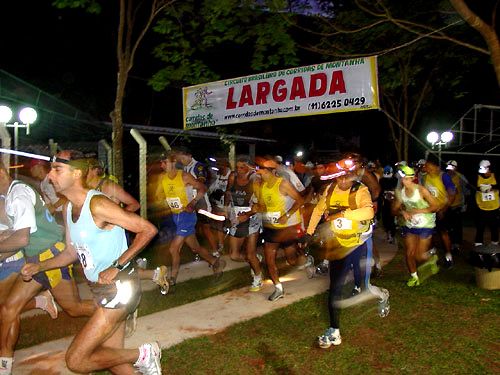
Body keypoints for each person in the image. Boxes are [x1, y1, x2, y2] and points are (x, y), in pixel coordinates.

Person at [21, 150, 162, 374]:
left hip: (120, 287)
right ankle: (142, 361)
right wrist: (41, 266)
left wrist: (117, 265)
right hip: (99, 289)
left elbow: (147, 229)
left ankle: (145, 353)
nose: (49, 176)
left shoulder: (97, 204)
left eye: (57, 169)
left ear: (77, 173)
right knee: (113, 360)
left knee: (76, 360)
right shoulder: (68, 208)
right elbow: (70, 252)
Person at [0, 159, 95, 375]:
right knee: (8, 309)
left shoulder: (18, 194)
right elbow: (16, 232)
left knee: (74, 308)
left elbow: (22, 239)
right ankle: (4, 366)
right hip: (36, 261)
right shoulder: (8, 197)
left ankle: (114, 311)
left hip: (50, 256)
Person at [305, 157, 388, 349]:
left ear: (352, 177)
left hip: (359, 243)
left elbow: (368, 212)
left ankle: (383, 296)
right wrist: (308, 233)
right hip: (340, 244)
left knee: (364, 287)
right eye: (339, 178)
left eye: (346, 178)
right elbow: (318, 211)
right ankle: (334, 331)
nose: (342, 182)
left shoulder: (360, 191)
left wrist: (341, 214)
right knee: (335, 288)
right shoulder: (330, 190)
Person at [87, 158, 169, 295]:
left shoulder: (108, 186)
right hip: (100, 236)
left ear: (95, 170)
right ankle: (153, 273)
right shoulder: (88, 190)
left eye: (86, 168)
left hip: (114, 234)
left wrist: (115, 219)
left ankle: (122, 298)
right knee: (108, 269)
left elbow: (134, 204)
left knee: (116, 268)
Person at [155, 153, 225, 286]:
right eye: (161, 163)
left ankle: (172, 279)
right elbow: (159, 196)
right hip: (176, 217)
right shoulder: (163, 178)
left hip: (187, 216)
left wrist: (193, 203)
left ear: (173, 162)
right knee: (196, 248)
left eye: (165, 162)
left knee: (173, 248)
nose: (162, 165)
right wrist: (163, 200)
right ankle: (215, 262)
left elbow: (202, 188)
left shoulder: (184, 176)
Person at [253, 158, 312, 301]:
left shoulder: (283, 184)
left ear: (271, 171)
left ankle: (307, 260)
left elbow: (300, 200)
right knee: (269, 260)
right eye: (258, 168)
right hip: (270, 228)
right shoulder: (261, 186)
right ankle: (278, 288)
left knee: (292, 260)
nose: (258, 171)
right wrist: (256, 208)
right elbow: (263, 207)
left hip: (287, 229)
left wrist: (287, 215)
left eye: (261, 168)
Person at [392, 166, 440, 287]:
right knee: (409, 253)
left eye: (407, 179)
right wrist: (403, 212)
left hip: (426, 225)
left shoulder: (421, 190)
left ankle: (432, 257)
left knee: (420, 256)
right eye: (402, 179)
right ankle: (414, 277)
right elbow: (394, 210)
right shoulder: (401, 193)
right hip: (410, 226)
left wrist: (420, 210)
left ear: (413, 178)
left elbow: (435, 206)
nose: (404, 181)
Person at [224, 156, 263, 291]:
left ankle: (258, 278)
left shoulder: (255, 179)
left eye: (243, 167)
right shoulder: (233, 177)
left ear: (249, 167)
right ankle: (256, 260)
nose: (239, 170)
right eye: (237, 167)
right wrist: (226, 210)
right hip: (236, 217)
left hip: (252, 218)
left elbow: (260, 204)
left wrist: (247, 215)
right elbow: (228, 193)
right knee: (234, 255)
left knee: (249, 253)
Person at [174, 147, 219, 258]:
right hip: (189, 201)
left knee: (205, 227)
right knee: (194, 228)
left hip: (200, 200)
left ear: (189, 155)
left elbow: (201, 180)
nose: (182, 161)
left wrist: (191, 183)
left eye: (183, 158)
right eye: (180, 159)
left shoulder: (198, 166)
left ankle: (215, 251)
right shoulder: (184, 168)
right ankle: (198, 252)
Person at [422, 155, 457, 267]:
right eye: (426, 166)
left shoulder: (444, 177)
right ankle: (432, 251)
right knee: (429, 232)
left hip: (442, 209)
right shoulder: (425, 177)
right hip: (430, 210)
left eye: (428, 166)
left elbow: (452, 193)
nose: (426, 168)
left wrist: (444, 208)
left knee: (443, 232)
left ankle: (448, 255)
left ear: (436, 166)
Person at [29, 158, 66, 223]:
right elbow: (48, 204)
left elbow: (66, 197)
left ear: (40, 167)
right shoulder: (42, 185)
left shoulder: (52, 179)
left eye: (33, 167)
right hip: (57, 214)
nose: (30, 170)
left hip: (65, 211)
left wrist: (54, 207)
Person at [207, 157, 232, 255]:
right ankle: (221, 245)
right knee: (219, 225)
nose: (218, 167)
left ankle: (235, 246)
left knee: (233, 225)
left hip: (231, 205)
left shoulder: (231, 175)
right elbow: (212, 188)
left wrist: (224, 192)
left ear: (225, 165)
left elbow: (231, 191)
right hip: (219, 204)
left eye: (220, 164)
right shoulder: (218, 175)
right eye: (218, 165)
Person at [445, 160, 470, 252]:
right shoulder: (444, 176)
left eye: (452, 167)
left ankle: (457, 244)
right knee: (447, 226)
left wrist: (465, 204)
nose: (450, 169)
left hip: (457, 206)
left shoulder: (460, 177)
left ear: (456, 168)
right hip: (446, 205)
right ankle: (449, 243)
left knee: (457, 226)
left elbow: (467, 192)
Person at [474, 160, 499, 246]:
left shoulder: (495, 176)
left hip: (494, 207)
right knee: (480, 228)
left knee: (494, 227)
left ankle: (494, 244)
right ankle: (478, 245)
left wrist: (492, 187)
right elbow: (470, 186)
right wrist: (479, 188)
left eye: (486, 170)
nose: (485, 173)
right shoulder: (477, 177)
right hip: (481, 208)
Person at [380, 165, 398, 244]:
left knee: (392, 220)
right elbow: (380, 191)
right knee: (385, 218)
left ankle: (392, 235)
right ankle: (388, 233)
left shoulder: (396, 180)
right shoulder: (382, 180)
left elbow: (398, 190)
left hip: (394, 202)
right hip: (385, 203)